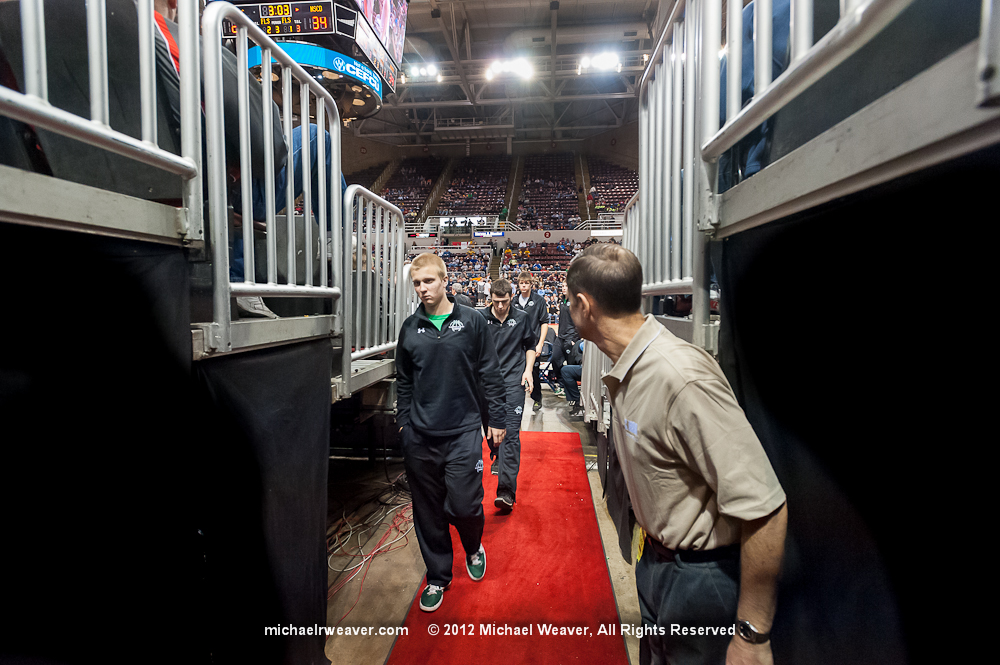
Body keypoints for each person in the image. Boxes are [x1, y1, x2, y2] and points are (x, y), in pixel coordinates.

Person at [566, 244, 788, 665]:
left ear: (584, 305)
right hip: (659, 561)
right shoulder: (634, 364)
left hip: (700, 579)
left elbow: (766, 507)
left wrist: (752, 635)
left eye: (568, 301)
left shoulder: (680, 377)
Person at [395, 252, 506, 613]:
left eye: (428, 280)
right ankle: (438, 577)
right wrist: (403, 422)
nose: (422, 288)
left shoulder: (472, 322)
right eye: (417, 282)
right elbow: (404, 380)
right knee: (427, 511)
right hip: (421, 437)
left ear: (445, 280)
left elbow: (490, 371)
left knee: (462, 503)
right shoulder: (410, 328)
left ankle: (473, 546)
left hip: (463, 432)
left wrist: (498, 419)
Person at [478, 279, 536, 513]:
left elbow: (530, 346)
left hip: (513, 383)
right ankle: (496, 452)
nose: (500, 306)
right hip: (486, 385)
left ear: (511, 297)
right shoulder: (480, 319)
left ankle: (506, 492)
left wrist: (529, 371)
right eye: (496, 301)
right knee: (491, 432)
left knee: (511, 434)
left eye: (504, 301)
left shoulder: (521, 318)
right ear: (490, 297)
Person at [512, 271, 549, 411]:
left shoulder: (539, 300)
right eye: (521, 283)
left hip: (532, 344)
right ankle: (516, 400)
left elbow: (544, 322)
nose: (524, 286)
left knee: (534, 371)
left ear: (531, 284)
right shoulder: (514, 301)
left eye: (526, 283)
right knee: (516, 372)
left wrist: (540, 344)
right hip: (517, 343)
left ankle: (537, 398)